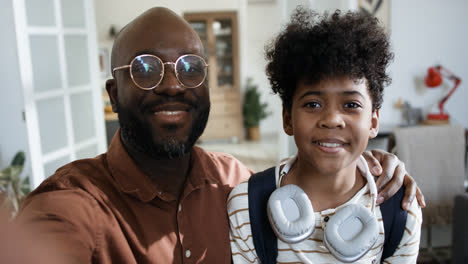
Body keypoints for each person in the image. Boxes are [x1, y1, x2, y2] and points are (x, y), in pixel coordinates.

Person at [13, 7, 423, 264]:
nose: (172, 84)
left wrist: (374, 162)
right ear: (113, 93)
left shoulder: (234, 181)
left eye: (190, 68)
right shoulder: (72, 205)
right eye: (145, 69)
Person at [228, 8, 422, 263]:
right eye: (313, 104)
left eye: (351, 105)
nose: (331, 119)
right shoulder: (246, 206)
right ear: (287, 119)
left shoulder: (399, 212)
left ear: (373, 121)